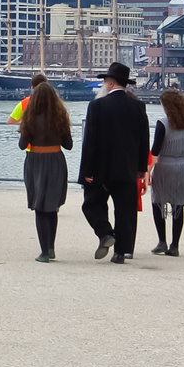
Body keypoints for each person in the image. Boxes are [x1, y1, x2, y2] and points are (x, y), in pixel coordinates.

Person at [77, 62, 150, 264]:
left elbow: (89, 141)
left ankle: (105, 233)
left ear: (110, 83)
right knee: (126, 210)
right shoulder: (138, 106)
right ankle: (121, 252)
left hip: (100, 168)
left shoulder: (97, 106)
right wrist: (141, 168)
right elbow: (144, 139)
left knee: (91, 204)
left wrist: (86, 170)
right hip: (127, 167)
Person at [18, 81, 71, 262]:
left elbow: (22, 145)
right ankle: (51, 248)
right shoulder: (61, 117)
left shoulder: (30, 117)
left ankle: (44, 251)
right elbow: (69, 145)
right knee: (52, 207)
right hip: (56, 160)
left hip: (36, 162)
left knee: (40, 206)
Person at [149, 88, 184, 256]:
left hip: (165, 165)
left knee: (158, 203)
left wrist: (147, 171)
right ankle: (175, 245)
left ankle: (161, 241)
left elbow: (155, 150)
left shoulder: (162, 123)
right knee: (179, 205)